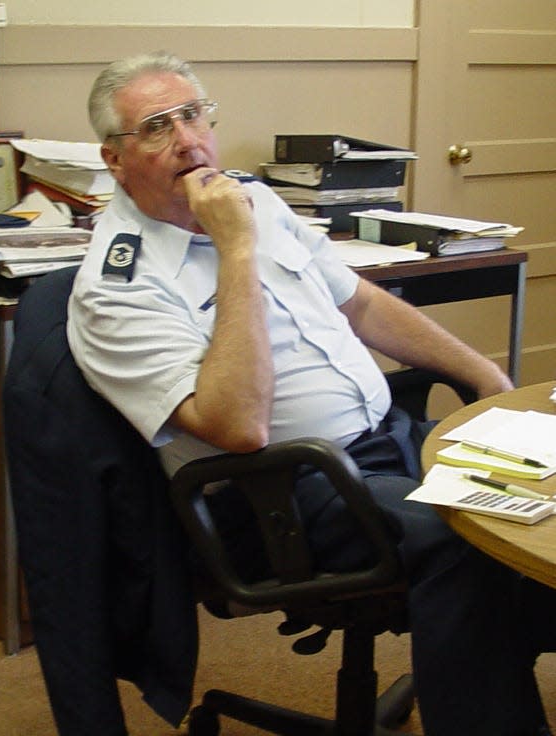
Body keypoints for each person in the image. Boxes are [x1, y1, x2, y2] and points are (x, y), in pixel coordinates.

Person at [67, 51, 554, 736]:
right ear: (113, 160)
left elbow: (358, 303)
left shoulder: (255, 198)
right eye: (155, 127)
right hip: (280, 492)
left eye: (193, 114)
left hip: (385, 441)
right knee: (468, 539)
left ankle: (482, 653)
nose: (187, 139)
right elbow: (235, 427)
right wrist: (234, 248)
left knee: (540, 497)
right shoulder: (115, 289)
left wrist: (485, 377)